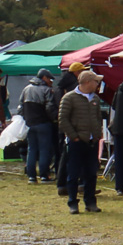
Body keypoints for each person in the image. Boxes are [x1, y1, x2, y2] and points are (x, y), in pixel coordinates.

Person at [58, 69, 105, 215]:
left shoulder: (95, 99)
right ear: (87, 82)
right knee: (73, 173)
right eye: (95, 81)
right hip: (76, 142)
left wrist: (97, 134)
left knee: (91, 173)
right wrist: (74, 136)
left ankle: (90, 202)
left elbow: (98, 118)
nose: (98, 84)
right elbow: (63, 119)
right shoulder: (69, 98)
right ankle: (73, 202)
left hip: (92, 141)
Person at [18, 70, 58, 183]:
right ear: (44, 77)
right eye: (49, 79)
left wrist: (25, 118)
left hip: (30, 124)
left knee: (32, 150)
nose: (50, 81)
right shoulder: (46, 90)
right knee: (45, 150)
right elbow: (50, 108)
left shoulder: (26, 88)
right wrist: (54, 119)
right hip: (43, 123)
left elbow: (20, 107)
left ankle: (31, 176)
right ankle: (44, 176)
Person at [55, 62, 86, 198]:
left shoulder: (61, 87)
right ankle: (75, 185)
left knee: (65, 156)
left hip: (66, 128)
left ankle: (63, 184)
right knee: (72, 157)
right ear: (77, 73)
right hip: (73, 128)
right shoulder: (73, 89)